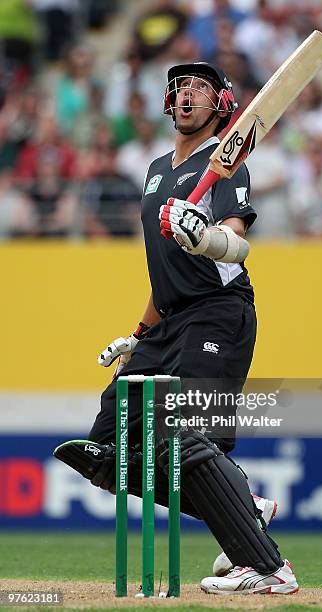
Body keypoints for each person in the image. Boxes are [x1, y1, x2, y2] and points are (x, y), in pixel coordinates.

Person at [53, 62, 298, 595]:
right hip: (168, 321)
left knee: (186, 437)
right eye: (180, 88)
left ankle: (267, 569)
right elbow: (161, 270)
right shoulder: (157, 169)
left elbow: (236, 243)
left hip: (218, 310)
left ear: (220, 103)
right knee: (108, 451)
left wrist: (203, 235)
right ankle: (245, 504)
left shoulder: (225, 161)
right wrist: (137, 336)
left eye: (199, 89)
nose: (187, 95)